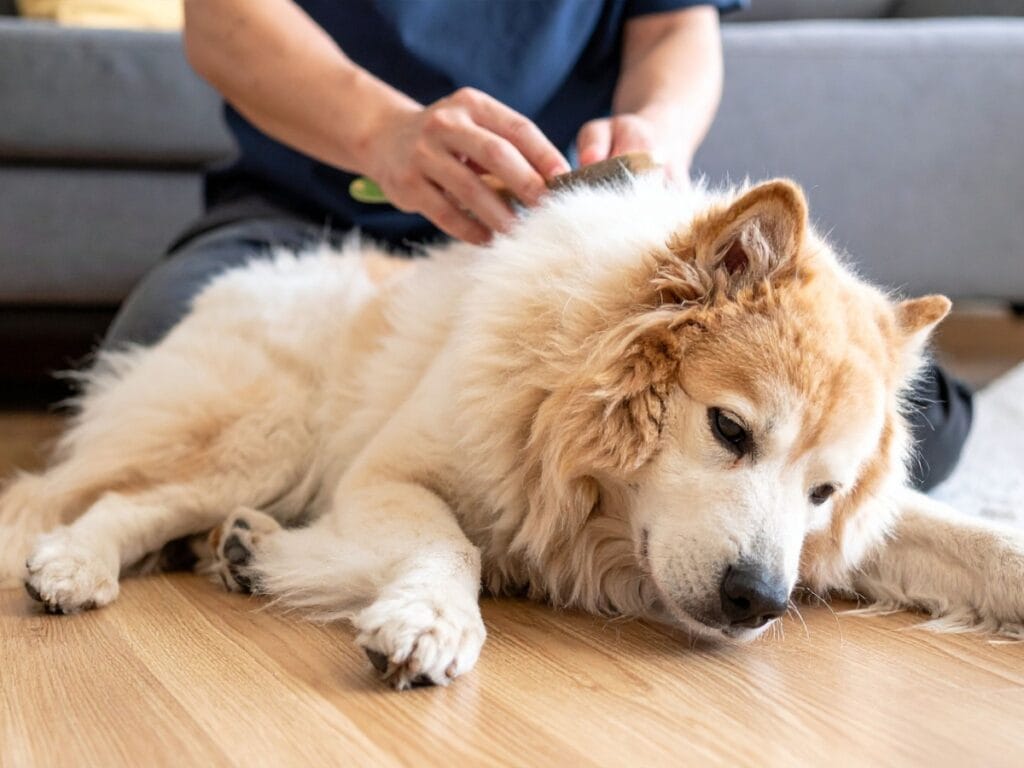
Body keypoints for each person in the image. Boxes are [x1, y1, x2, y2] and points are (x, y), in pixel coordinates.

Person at [102, 0, 971, 491]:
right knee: (157, 357)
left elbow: (675, 30)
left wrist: (657, 141)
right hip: (306, 209)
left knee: (925, 422)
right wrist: (383, 133)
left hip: (546, 250)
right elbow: (222, 21)